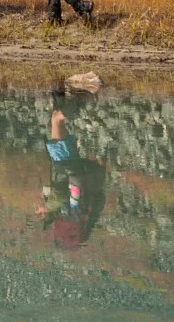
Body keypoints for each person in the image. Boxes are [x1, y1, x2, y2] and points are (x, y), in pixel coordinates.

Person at [36, 87, 107, 249]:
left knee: (59, 124)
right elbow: (62, 195)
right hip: (66, 165)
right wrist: (46, 208)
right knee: (56, 120)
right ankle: (82, 98)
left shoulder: (79, 216)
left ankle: (64, 96)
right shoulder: (69, 214)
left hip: (73, 168)